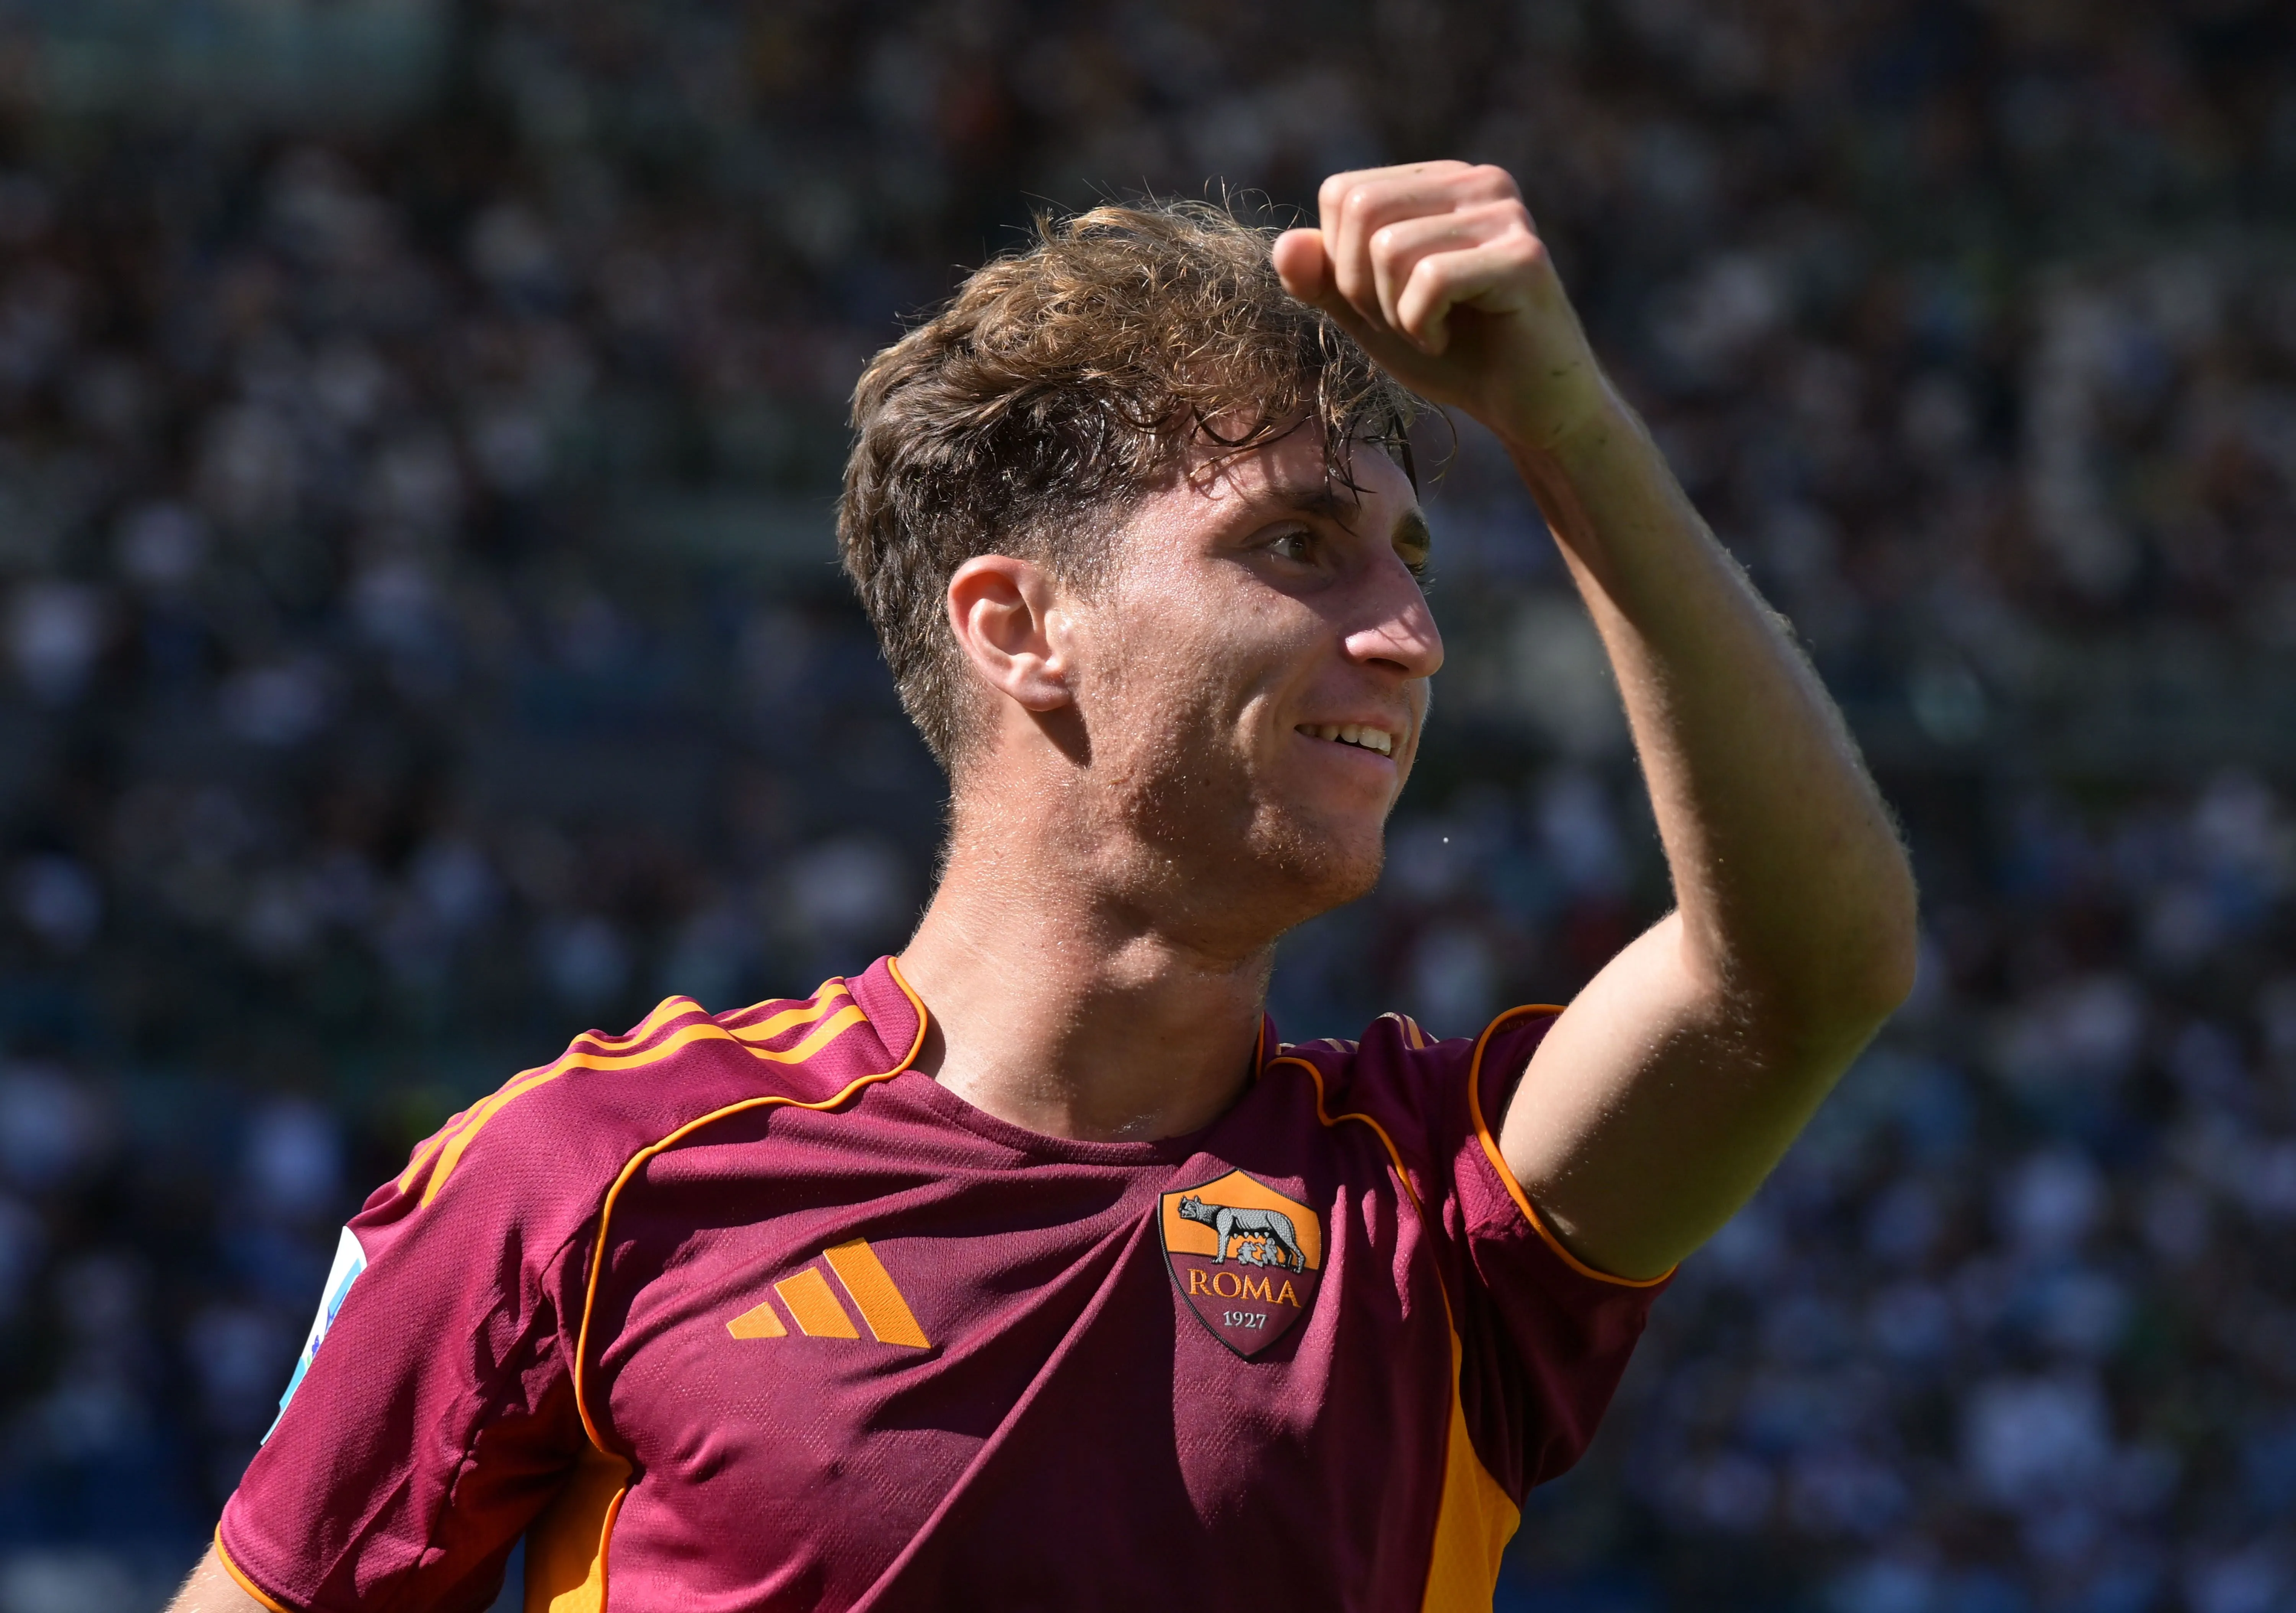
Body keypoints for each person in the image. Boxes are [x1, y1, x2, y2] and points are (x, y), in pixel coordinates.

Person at [170, 161, 1916, 1613]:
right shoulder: (586, 1178)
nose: (1410, 636)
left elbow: (1809, 970)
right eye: (1297, 544)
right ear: (1022, 626)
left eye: (1414, 563)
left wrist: (1569, 424)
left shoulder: (1436, 1208)